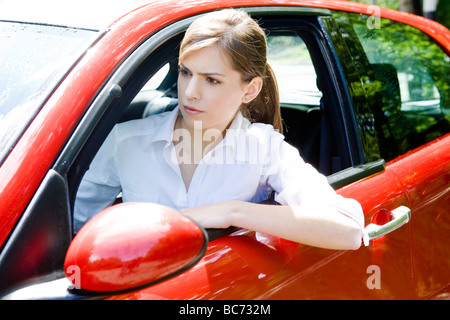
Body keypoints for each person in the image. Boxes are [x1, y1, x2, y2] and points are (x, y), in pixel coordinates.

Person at [74, 9, 368, 249]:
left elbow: (349, 229)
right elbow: (73, 231)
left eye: (211, 80)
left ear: (250, 90)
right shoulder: (125, 141)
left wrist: (232, 212)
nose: (190, 92)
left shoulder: (264, 148)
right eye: (185, 72)